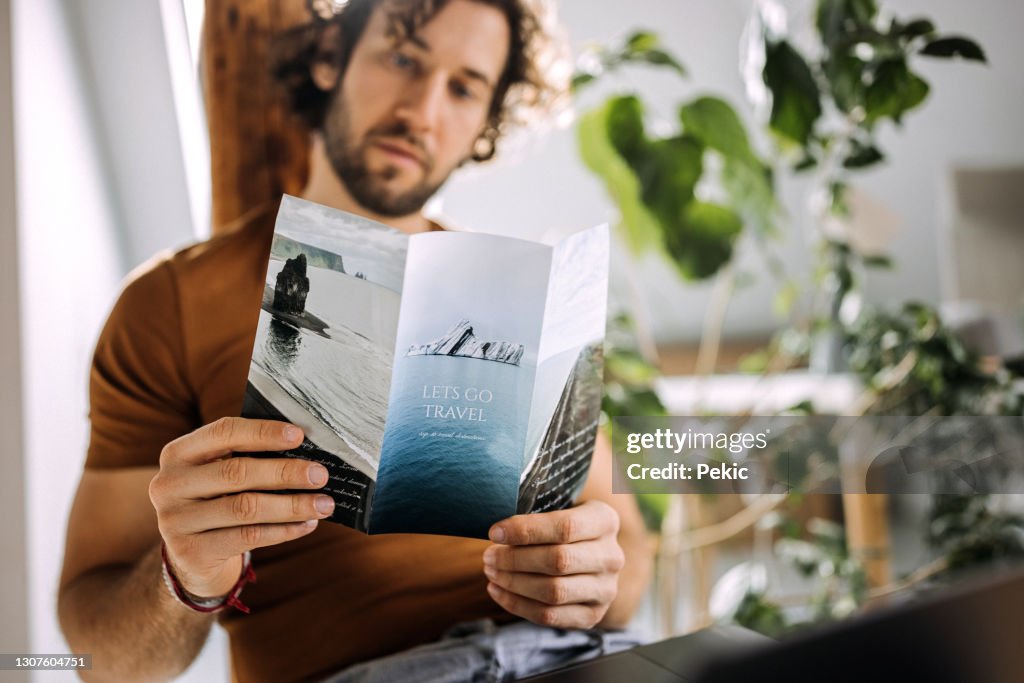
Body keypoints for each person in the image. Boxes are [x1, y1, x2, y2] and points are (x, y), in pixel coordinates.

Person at [57, 0, 653, 681]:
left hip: (573, 662)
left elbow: (628, 557)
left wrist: (592, 577)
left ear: (483, 126)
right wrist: (182, 572)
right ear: (329, 58)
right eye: (404, 58)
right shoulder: (169, 302)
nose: (422, 111)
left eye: (463, 87)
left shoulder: (523, 295)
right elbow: (100, 659)